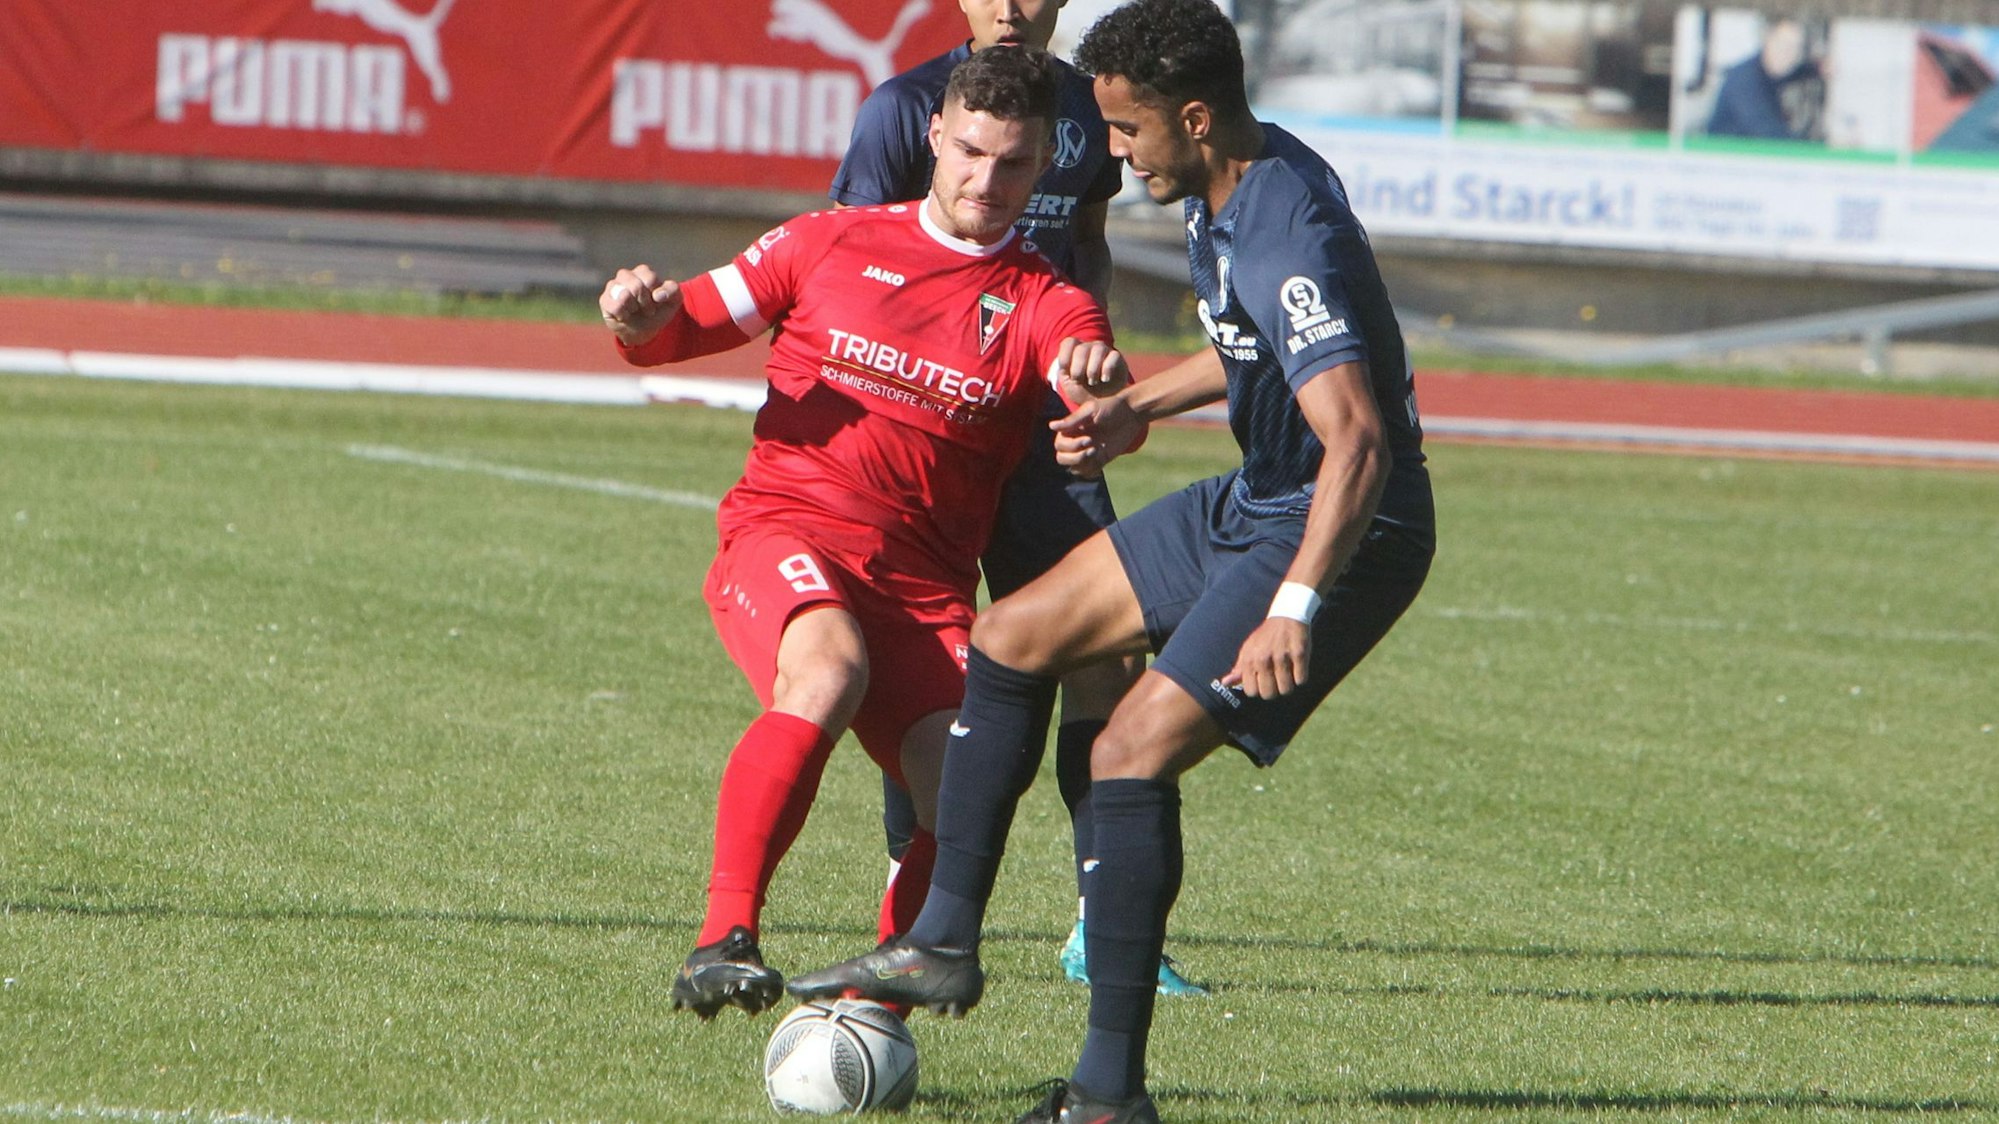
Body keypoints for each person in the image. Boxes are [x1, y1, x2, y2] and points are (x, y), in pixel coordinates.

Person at [788, 0, 1436, 1119]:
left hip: (1341, 524)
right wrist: (1138, 406)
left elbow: (1361, 439)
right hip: (1259, 493)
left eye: (1129, 134)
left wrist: (1292, 604)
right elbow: (1251, 346)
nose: (1118, 160)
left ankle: (1105, 1095)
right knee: (1014, 631)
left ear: (1192, 117)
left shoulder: (1284, 221)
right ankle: (940, 940)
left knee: (1130, 749)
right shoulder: (1229, 178)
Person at [600, 47, 1127, 1020]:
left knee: (975, 774)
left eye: (1013, 164)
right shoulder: (828, 241)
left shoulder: (1047, 301)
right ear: (934, 135)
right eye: (969, 152)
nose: (986, 181)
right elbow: (682, 326)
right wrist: (641, 318)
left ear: (1044, 162)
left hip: (922, 592)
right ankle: (723, 937)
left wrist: (1097, 392)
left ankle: (872, 1002)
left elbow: (1081, 368)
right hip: (785, 534)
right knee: (828, 670)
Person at [831, 0, 1201, 996]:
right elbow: (849, 259)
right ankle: (912, 894)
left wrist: (1092, 350)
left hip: (1044, 435)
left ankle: (1102, 920)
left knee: (1108, 651)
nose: (1008, 7)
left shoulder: (1094, 111)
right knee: (922, 668)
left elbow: (1087, 239)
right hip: (929, 439)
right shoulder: (902, 109)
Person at [1706, 17, 1823, 140]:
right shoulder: (1744, 81)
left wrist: (1816, 69)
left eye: (1796, 47)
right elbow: (1768, 133)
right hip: (1725, 155)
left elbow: (1792, 73)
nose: (1790, 54)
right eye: (1783, 45)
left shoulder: (1767, 69)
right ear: (1767, 40)